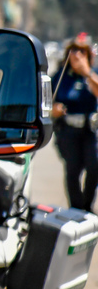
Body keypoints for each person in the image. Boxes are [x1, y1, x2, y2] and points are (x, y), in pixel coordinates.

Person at [52, 33, 98, 212]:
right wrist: (55, 110)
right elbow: (50, 102)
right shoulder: (62, 76)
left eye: (82, 51)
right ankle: (76, 208)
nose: (77, 55)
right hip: (68, 131)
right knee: (73, 170)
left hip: (89, 130)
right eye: (74, 51)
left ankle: (87, 206)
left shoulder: (91, 75)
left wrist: (87, 72)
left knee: (94, 167)